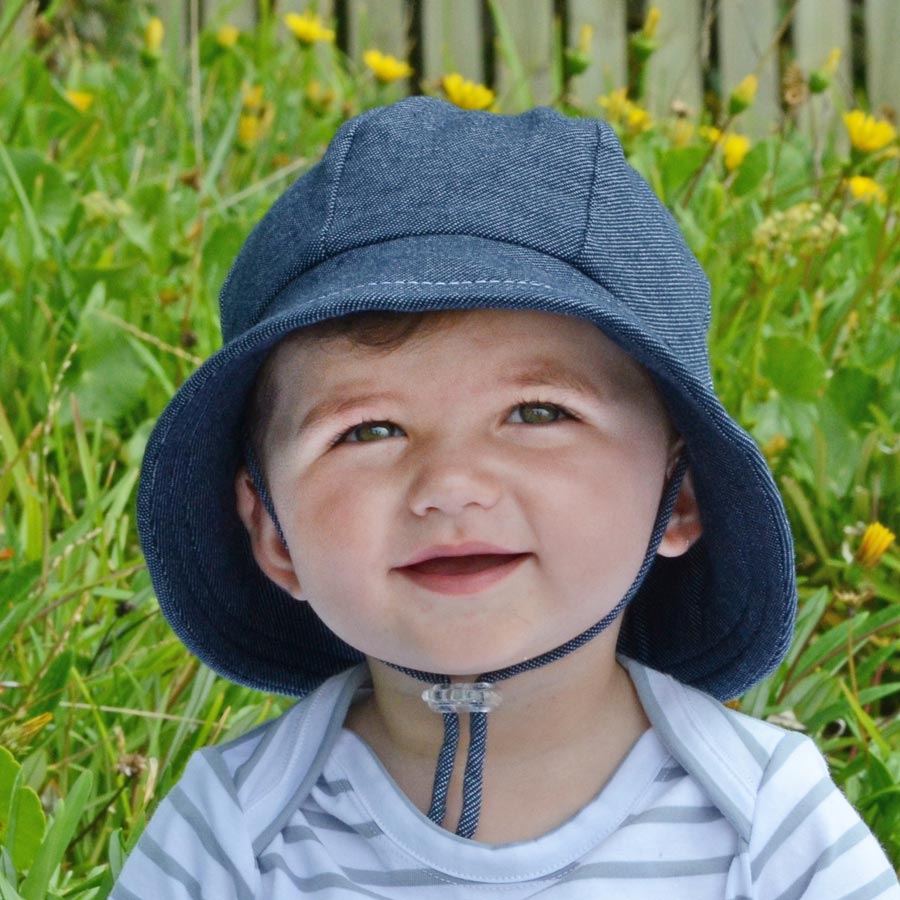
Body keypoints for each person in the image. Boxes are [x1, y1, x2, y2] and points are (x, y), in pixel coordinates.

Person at [112, 97, 899, 898]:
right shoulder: (237, 829)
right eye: (368, 430)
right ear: (272, 533)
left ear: (682, 494)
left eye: (538, 413)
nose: (451, 485)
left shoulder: (768, 822)